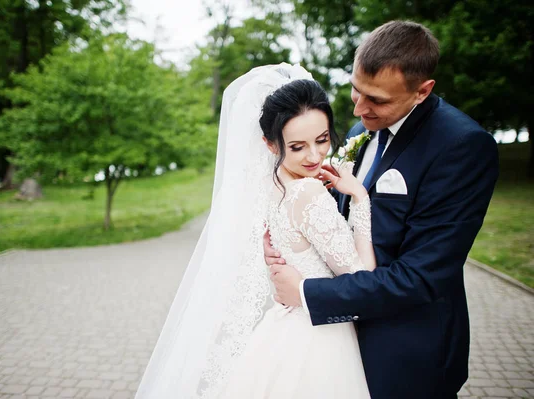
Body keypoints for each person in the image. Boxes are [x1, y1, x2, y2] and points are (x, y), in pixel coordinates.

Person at [266, 21, 499, 399]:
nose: (360, 109)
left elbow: (421, 276)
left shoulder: (461, 146)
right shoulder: (362, 132)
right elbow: (330, 222)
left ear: (422, 92)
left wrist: (308, 292)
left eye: (377, 100)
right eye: (357, 91)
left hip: (405, 349)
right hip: (337, 343)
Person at [135, 64, 377, 398]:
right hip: (320, 339)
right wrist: (360, 198)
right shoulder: (308, 194)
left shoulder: (270, 186)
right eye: (297, 147)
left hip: (284, 327)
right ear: (270, 144)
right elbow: (363, 276)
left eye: (322, 140)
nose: (315, 155)